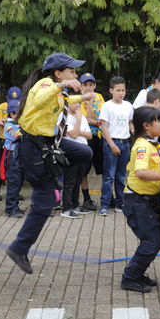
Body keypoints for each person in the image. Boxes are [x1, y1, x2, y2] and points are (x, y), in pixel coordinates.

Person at [6, 52, 94, 274]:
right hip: (32, 148)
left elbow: (61, 101)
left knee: (84, 152)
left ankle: (52, 178)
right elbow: (40, 99)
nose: (75, 75)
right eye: (71, 71)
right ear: (58, 73)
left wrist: (81, 98)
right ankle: (19, 247)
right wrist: (63, 84)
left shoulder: (55, 89)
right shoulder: (45, 84)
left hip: (47, 143)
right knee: (45, 202)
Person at [121, 106, 160, 293]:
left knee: (156, 239)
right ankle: (130, 277)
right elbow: (141, 172)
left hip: (149, 201)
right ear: (147, 125)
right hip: (138, 202)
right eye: (159, 121)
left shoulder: (152, 144)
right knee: (151, 241)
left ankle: (138, 273)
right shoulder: (143, 146)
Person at [99, 76, 133, 216]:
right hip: (111, 143)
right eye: (118, 90)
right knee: (109, 176)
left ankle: (120, 203)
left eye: (123, 90)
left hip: (125, 143)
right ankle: (105, 205)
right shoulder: (107, 106)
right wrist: (112, 145)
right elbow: (104, 127)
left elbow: (130, 122)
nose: (121, 93)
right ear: (111, 90)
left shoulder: (128, 105)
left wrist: (132, 129)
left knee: (121, 176)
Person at [60, 99, 92, 218]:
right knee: (70, 180)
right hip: (72, 152)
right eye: (75, 102)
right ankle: (66, 208)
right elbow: (72, 134)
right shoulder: (65, 117)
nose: (78, 105)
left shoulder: (82, 117)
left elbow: (89, 135)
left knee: (78, 180)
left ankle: (75, 205)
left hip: (83, 151)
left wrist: (79, 130)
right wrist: (78, 120)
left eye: (79, 102)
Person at [79, 73, 105, 211]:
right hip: (86, 139)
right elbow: (86, 119)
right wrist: (89, 103)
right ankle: (87, 199)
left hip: (100, 137)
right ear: (81, 86)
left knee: (103, 169)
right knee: (84, 170)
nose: (89, 88)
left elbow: (104, 117)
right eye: (85, 85)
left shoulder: (100, 97)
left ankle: (106, 197)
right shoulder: (79, 100)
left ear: (95, 85)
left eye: (91, 85)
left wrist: (96, 122)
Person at [0, 86, 21, 201]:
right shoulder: (2, 108)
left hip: (16, 149)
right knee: (4, 169)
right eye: (13, 113)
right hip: (5, 144)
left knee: (16, 173)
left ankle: (15, 194)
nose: (15, 114)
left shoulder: (21, 108)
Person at [2, 99, 25, 218]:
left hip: (19, 155)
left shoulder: (17, 124)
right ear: (12, 114)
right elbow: (17, 136)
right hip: (11, 156)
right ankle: (10, 208)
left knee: (19, 180)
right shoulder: (9, 126)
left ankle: (15, 205)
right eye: (18, 113)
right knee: (14, 181)